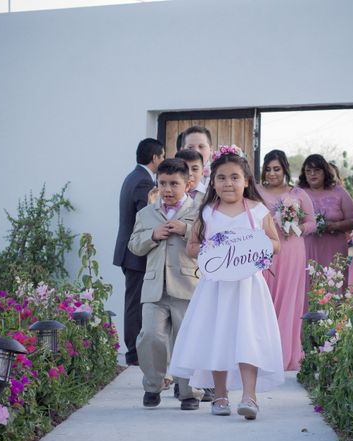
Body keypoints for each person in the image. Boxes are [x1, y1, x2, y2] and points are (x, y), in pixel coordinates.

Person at [169, 146, 284, 420]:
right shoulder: (208, 213)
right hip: (216, 287)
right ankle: (220, 395)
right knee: (218, 336)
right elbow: (193, 247)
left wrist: (256, 245)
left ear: (246, 181)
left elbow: (276, 244)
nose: (228, 183)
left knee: (248, 337)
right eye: (221, 177)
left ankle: (249, 396)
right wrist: (214, 249)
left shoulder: (257, 212)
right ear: (214, 182)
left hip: (248, 287)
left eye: (234, 177)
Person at [127, 158, 204, 410]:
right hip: (154, 287)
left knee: (187, 337)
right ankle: (153, 385)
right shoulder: (146, 213)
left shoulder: (199, 211)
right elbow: (134, 245)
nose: (168, 189)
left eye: (174, 183)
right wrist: (151, 235)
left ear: (188, 183)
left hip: (187, 284)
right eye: (163, 183)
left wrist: (185, 229)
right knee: (150, 336)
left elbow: (207, 241)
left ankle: (189, 391)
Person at [257, 150, 315, 371]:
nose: (272, 173)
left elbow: (312, 222)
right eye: (268, 169)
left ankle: (284, 355)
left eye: (276, 169)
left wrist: (296, 227)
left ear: (284, 170)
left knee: (288, 301)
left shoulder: (298, 193)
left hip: (291, 249)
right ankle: (261, 355)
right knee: (263, 300)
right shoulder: (256, 192)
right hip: (265, 249)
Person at [113, 138, 165, 366]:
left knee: (133, 301)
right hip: (135, 254)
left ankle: (134, 351)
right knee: (135, 304)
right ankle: (134, 354)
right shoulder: (144, 182)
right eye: (162, 157)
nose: (162, 161)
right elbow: (147, 217)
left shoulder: (132, 176)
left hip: (128, 252)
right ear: (155, 158)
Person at [299, 154, 353, 293]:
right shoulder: (298, 193)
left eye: (317, 170)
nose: (312, 174)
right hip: (307, 248)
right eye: (308, 171)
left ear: (325, 171)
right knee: (308, 288)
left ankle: (333, 314)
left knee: (333, 288)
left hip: (334, 249)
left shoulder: (339, 192)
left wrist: (334, 226)